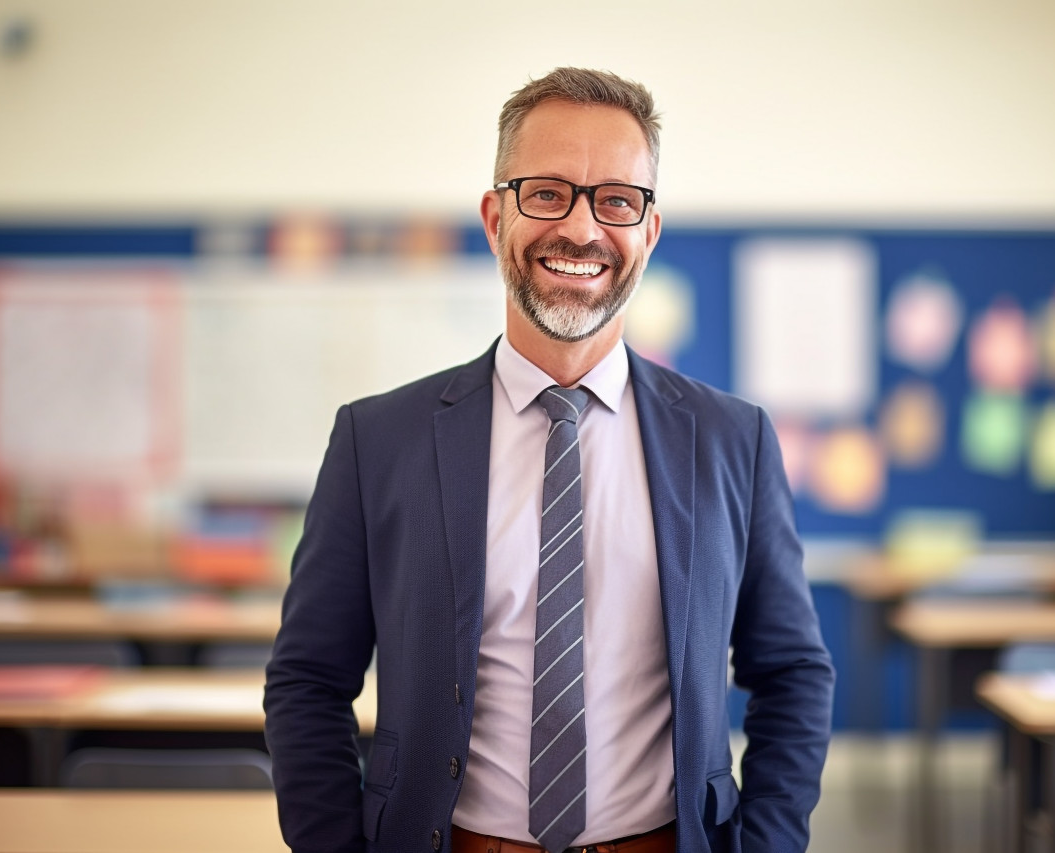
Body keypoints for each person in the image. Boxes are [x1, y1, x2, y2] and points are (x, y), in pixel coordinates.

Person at [264, 67, 834, 853]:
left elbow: (793, 670)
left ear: (649, 230)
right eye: (547, 193)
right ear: (495, 216)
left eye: (616, 201)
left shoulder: (734, 440)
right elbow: (309, 679)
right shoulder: (378, 440)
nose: (582, 228)